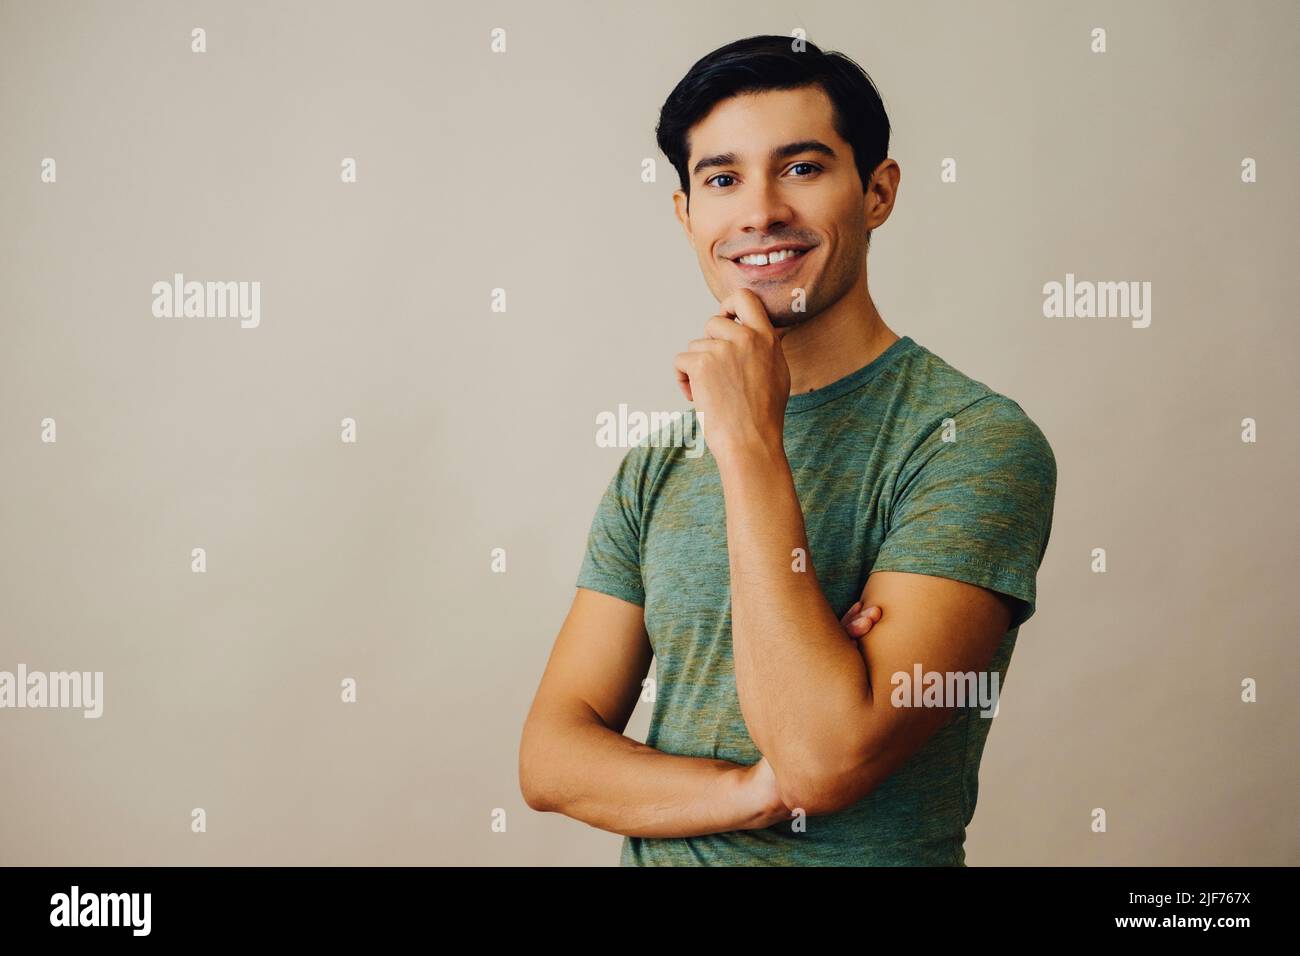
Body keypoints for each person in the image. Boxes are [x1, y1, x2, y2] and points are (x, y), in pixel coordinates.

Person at [519, 34, 1057, 866]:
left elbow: (823, 757)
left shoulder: (969, 442)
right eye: (722, 179)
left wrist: (747, 443)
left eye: (802, 168)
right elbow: (551, 759)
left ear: (877, 192)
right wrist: (753, 790)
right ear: (685, 214)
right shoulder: (655, 467)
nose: (760, 211)